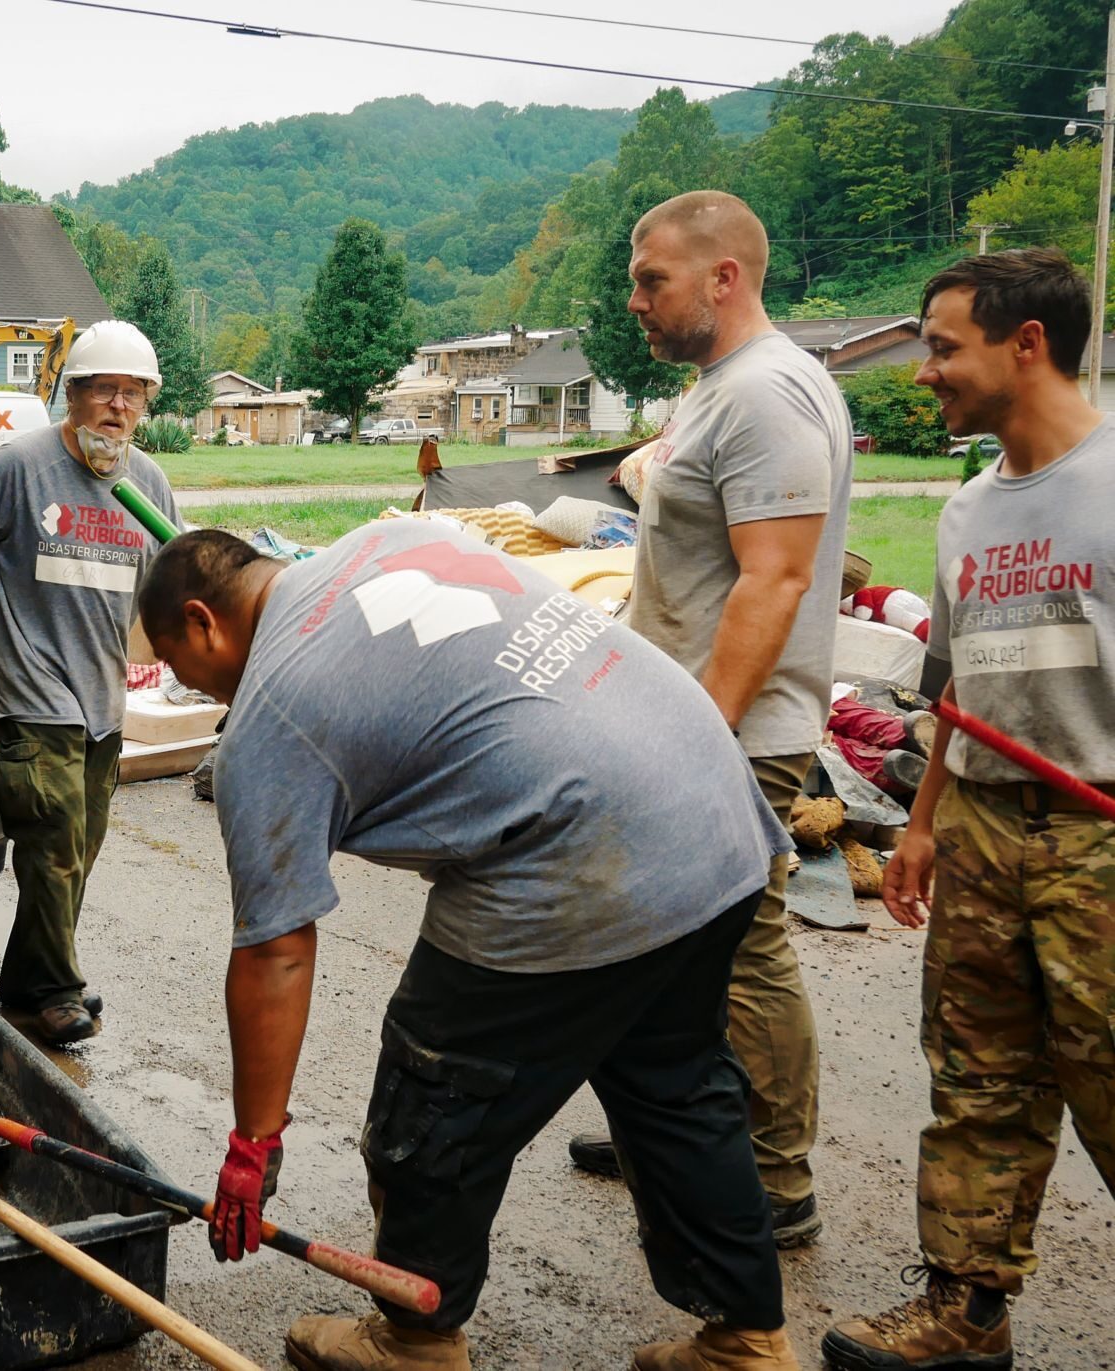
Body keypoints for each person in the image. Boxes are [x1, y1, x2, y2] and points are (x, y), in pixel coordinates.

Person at [139, 524, 801, 1371]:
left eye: (179, 665)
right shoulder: (391, 535)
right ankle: (746, 1341)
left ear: (202, 622)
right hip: (711, 804)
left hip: (578, 852)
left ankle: (416, 1342)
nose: (190, 685)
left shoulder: (274, 710)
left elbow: (276, 950)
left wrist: (253, 1143)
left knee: (435, 1098)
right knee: (675, 1084)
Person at [822, 249, 1115, 1369]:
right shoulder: (966, 512)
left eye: (942, 348)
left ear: (1024, 343)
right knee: (977, 1079)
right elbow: (956, 694)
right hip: (987, 827)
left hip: (1102, 830)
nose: (924, 373)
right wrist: (924, 825)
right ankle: (965, 1309)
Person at [567, 191, 853, 1249]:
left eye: (652, 280)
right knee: (669, 943)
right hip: (694, 716)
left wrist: (698, 731)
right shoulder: (719, 391)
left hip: (734, 730)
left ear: (722, 276)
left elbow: (772, 582)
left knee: (741, 949)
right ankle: (678, 1134)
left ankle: (773, 1178)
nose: (635, 300)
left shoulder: (767, 394)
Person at [0, 320, 180, 1045]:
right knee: (53, 839)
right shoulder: (20, 465)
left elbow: (168, 581)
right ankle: (58, 990)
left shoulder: (147, 484)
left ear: (146, 405)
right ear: (73, 395)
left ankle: (28, 980)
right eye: (103, 391)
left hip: (103, 706)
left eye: (133, 394)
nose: (118, 407)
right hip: (31, 696)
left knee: (77, 851)